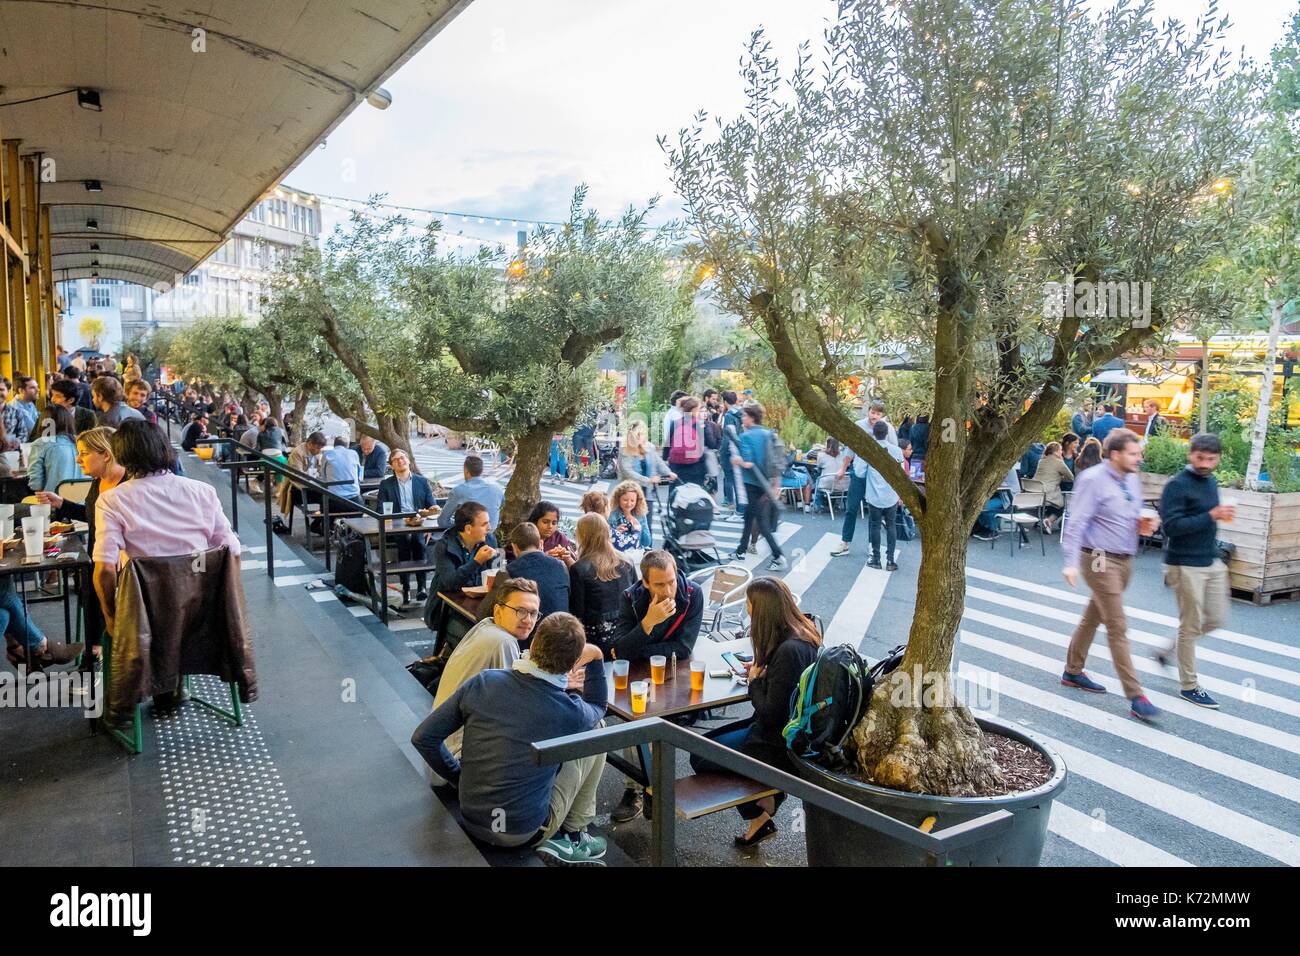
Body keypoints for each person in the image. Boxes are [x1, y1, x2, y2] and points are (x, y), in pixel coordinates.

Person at [411, 613, 609, 866]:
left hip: (471, 816)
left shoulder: (485, 682)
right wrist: (597, 658)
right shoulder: (570, 711)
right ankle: (575, 835)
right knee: (596, 730)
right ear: (572, 665)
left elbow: (423, 738)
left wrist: (458, 777)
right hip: (522, 833)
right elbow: (598, 706)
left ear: (534, 644)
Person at [92, 421, 241, 709]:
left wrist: (111, 619)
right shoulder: (202, 491)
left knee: (140, 607)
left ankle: (155, 685)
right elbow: (231, 550)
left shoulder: (111, 500)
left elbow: (105, 570)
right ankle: (173, 683)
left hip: (147, 615)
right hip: (203, 611)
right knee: (176, 608)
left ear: (121, 456)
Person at [688, 576, 821, 847]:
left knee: (700, 757)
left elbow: (771, 712)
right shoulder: (803, 633)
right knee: (702, 746)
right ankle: (762, 809)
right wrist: (766, 673)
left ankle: (762, 802)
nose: (747, 609)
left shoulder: (788, 651)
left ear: (761, 610)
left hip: (775, 743)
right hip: (780, 732)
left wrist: (755, 683)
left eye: (749, 604)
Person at [1059, 429, 1159, 722]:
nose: (1139, 458)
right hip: (1100, 559)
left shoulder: (1131, 479)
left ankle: (1072, 671)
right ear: (1115, 455)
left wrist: (1144, 523)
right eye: (1134, 454)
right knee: (1117, 625)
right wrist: (1070, 562)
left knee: (1095, 615)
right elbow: (1076, 523)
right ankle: (1136, 695)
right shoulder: (1092, 480)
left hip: (1125, 559)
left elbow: (1132, 512)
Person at [608, 549, 703, 823]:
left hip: (676, 673)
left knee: (658, 723)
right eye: (660, 584)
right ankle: (636, 788)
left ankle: (652, 787)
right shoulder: (631, 597)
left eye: (671, 581)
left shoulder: (692, 593)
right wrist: (648, 622)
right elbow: (621, 650)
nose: (669, 589)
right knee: (634, 716)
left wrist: (640, 645)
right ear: (646, 583)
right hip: (638, 674)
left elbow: (684, 648)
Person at [1157, 433, 1233, 709]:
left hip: (1210, 559)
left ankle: (1168, 650)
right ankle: (1189, 686)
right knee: (1189, 625)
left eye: (1211, 459)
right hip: (1184, 562)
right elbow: (1171, 527)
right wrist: (1211, 516)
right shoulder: (1177, 484)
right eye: (1200, 458)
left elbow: (1206, 520)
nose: (1205, 463)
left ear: (1218, 459)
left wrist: (1215, 518)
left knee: (1217, 618)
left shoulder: (1211, 481)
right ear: (1191, 454)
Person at [36, 426, 122, 658]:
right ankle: (96, 647)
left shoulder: (128, 486)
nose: (77, 458)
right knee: (89, 575)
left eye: (84, 453)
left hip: (122, 566)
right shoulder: (98, 481)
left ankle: (101, 648)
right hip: (98, 559)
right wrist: (62, 503)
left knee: (94, 575)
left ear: (105, 453)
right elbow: (91, 515)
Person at [429, 577, 538, 758]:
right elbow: (514, 710)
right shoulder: (503, 641)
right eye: (520, 611)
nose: (528, 620)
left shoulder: (486, 626)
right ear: (498, 610)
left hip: (442, 747)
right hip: (458, 757)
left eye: (533, 613)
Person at [424, 501, 499, 642]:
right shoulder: (444, 546)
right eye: (484, 524)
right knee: (474, 635)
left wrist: (497, 560)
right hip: (446, 609)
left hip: (478, 605)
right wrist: (476, 561)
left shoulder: (489, 540)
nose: (489, 528)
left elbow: (498, 575)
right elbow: (451, 582)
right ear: (468, 528)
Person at [568, 513, 638, 656]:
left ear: (583, 536)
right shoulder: (627, 562)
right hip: (628, 636)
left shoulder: (579, 569)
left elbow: (577, 614)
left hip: (596, 645)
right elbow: (638, 598)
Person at [377, 448, 439, 603]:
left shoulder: (421, 481)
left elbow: (432, 507)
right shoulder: (386, 484)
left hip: (419, 523)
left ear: (409, 460)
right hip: (397, 525)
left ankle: (421, 587)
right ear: (391, 465)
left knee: (418, 542)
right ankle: (405, 587)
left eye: (402, 457)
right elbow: (380, 509)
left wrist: (429, 525)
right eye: (396, 459)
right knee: (403, 543)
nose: (400, 461)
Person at [731, 402, 787, 571]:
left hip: (752, 482)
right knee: (749, 516)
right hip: (767, 482)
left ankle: (778, 556)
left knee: (761, 521)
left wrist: (737, 460)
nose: (742, 418)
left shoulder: (746, 436)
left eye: (744, 415)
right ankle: (741, 550)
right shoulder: (768, 434)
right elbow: (777, 461)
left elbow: (748, 462)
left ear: (751, 418)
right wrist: (776, 484)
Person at [857, 420, 905, 570]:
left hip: (873, 495)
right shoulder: (896, 451)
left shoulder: (869, 450)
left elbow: (860, 472)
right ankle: (890, 560)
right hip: (891, 495)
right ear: (887, 433)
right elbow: (902, 473)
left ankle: (876, 559)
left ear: (874, 433)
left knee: (875, 526)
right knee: (891, 526)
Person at [503, 521, 571, 622]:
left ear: (514, 547)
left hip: (529, 631)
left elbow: (485, 612)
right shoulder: (561, 566)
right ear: (540, 544)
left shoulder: (509, 571)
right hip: (563, 629)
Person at [613, 420, 673, 528]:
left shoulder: (650, 447)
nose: (643, 437)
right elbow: (628, 471)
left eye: (644, 434)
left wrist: (669, 473)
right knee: (630, 525)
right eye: (640, 434)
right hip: (629, 495)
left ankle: (646, 545)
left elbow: (658, 462)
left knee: (646, 526)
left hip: (647, 493)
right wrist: (648, 480)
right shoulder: (625, 450)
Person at [436, 455, 505, 531]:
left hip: (469, 537)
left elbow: (442, 521)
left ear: (466, 470)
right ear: (482, 471)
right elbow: (502, 511)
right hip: (491, 537)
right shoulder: (497, 489)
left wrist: (459, 524)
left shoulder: (458, 491)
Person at [27, 405, 84, 493]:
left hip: (54, 502)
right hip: (83, 503)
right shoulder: (82, 442)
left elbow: (36, 484)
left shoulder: (41, 444)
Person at [1030, 441, 1075, 532]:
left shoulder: (1041, 461)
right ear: (1056, 451)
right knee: (1062, 505)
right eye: (1060, 450)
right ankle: (1049, 521)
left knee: (1049, 504)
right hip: (1049, 493)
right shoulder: (1059, 462)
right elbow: (1071, 477)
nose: (1061, 452)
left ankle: (1045, 520)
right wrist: (1061, 477)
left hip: (1036, 492)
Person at [664, 395, 708, 488]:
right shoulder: (698, 424)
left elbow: (668, 443)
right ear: (694, 410)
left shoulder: (675, 423)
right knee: (693, 494)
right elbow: (701, 447)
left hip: (676, 464)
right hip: (694, 466)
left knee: (675, 491)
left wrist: (665, 459)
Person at [718, 390, 745, 513]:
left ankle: (730, 503)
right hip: (740, 448)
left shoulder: (729, 415)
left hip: (729, 450)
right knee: (738, 479)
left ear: (725, 402)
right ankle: (739, 506)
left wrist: (721, 452)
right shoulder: (741, 413)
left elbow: (727, 435)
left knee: (729, 478)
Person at [526, 500, 575, 566]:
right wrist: (544, 557)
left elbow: (576, 569)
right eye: (545, 522)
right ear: (535, 521)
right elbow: (516, 567)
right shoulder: (524, 537)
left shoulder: (559, 538)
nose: (550, 526)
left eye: (554, 523)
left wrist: (567, 558)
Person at [608, 480, 653, 553]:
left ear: (637, 501)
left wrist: (639, 528)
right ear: (618, 498)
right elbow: (603, 539)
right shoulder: (612, 514)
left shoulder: (640, 515)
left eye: (632, 501)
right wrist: (615, 532)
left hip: (635, 554)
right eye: (625, 500)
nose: (629, 504)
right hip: (616, 554)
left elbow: (647, 542)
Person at [321, 437, 363, 506]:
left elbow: (324, 476)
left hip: (333, 500)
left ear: (334, 446)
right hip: (354, 500)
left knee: (323, 500)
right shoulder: (354, 454)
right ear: (347, 446)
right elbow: (359, 476)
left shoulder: (327, 454)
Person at [813, 436, 850, 511]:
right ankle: (839, 504)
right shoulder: (843, 455)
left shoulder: (822, 455)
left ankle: (818, 505)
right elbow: (848, 465)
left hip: (828, 484)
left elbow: (819, 465)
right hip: (844, 485)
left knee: (817, 479)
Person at [0, 377, 32, 445]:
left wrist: (16, 443)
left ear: (8, 391)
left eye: (1, 389)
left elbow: (23, 434)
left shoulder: (16, 412)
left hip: (9, 452)